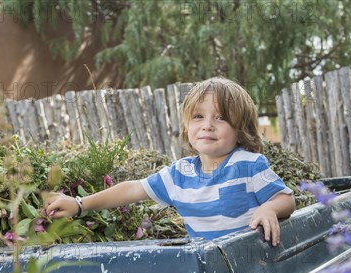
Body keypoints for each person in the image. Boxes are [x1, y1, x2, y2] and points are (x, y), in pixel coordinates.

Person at [45, 77, 295, 246]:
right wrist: (79, 204)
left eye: (221, 117)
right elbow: (133, 188)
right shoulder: (180, 174)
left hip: (254, 266)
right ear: (187, 128)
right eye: (198, 116)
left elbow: (286, 198)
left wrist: (269, 208)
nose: (207, 125)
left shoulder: (250, 164)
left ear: (240, 130)